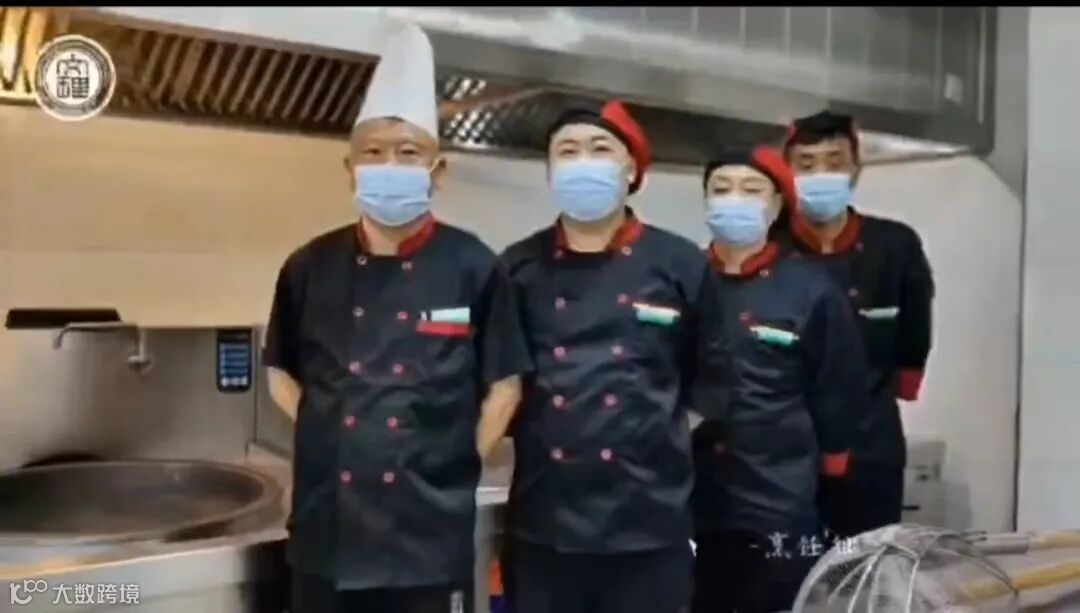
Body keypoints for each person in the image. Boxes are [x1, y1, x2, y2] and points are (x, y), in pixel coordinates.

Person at [263, 23, 529, 613]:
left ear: (438, 171)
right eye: (373, 153)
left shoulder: (475, 265)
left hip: (429, 534)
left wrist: (454, 458)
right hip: (328, 532)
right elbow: (281, 374)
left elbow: (505, 386)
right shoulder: (309, 265)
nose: (389, 164)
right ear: (350, 169)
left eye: (408, 154)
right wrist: (337, 433)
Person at [490, 101, 729, 613]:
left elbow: (713, 379)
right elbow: (503, 382)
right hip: (544, 520)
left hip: (649, 522)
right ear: (551, 172)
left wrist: (650, 434)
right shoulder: (516, 267)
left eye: (600, 149)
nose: (583, 163)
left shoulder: (681, 263)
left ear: (631, 170)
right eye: (567, 152)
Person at [690, 146, 869, 612]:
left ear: (776, 207)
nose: (734, 200)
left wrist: (833, 469)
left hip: (776, 496)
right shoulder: (679, 278)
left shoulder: (811, 289)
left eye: (751, 190)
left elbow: (839, 384)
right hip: (690, 499)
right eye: (721, 189)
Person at [783, 110, 935, 537]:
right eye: (806, 163)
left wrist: (907, 381)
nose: (820, 174)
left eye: (834, 161)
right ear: (786, 172)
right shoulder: (770, 247)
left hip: (870, 442)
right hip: (785, 446)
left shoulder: (894, 246)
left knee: (866, 563)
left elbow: (914, 327)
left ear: (856, 168)